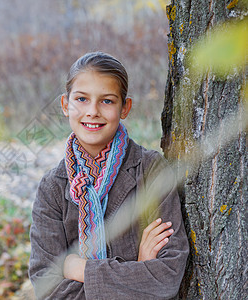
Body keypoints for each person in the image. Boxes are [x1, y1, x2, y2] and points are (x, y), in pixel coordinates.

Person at [29, 51, 189, 299]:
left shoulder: (149, 170)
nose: (92, 111)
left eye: (107, 101)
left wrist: (81, 269)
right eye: (81, 99)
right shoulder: (53, 187)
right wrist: (136, 270)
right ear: (64, 105)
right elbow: (46, 288)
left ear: (125, 107)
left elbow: (166, 277)